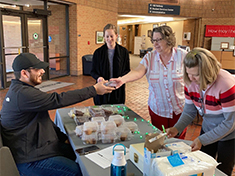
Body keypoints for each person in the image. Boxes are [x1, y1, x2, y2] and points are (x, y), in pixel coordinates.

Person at [0, 53, 115, 176]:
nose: (42, 71)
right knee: (78, 171)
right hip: (30, 159)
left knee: (77, 152)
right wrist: (94, 90)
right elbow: (58, 99)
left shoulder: (23, 90)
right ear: (24, 73)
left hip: (35, 148)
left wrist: (63, 138)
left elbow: (43, 119)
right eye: (37, 69)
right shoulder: (22, 94)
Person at [166, 47, 235, 176]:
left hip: (230, 134)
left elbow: (230, 123)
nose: (191, 78)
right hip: (208, 127)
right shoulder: (190, 81)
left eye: (196, 75)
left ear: (207, 71)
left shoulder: (226, 84)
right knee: (203, 166)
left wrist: (202, 139)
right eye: (188, 73)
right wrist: (177, 128)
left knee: (223, 169)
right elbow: (189, 111)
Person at [111, 25, 188, 139]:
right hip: (158, 109)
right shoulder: (150, 57)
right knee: (160, 141)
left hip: (179, 110)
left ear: (168, 39)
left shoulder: (182, 56)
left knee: (179, 143)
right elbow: (138, 71)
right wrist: (122, 79)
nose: (155, 44)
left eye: (159, 40)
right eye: (153, 40)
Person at [90, 23, 130, 105]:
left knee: (116, 114)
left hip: (118, 89)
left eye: (112, 36)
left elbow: (127, 70)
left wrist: (121, 78)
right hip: (102, 88)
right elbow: (93, 71)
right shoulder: (98, 53)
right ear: (104, 37)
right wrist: (98, 78)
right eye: (107, 36)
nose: (109, 39)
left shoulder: (124, 52)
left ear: (116, 36)